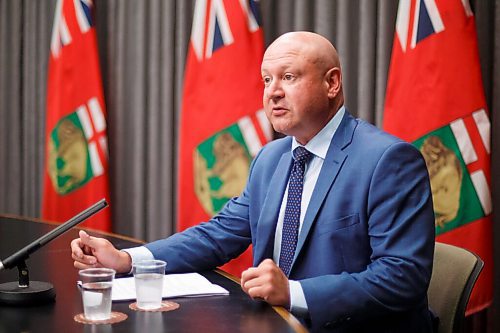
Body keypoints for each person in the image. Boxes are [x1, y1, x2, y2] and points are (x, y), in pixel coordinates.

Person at [71, 31, 435, 332]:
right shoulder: (271, 159)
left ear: (332, 83)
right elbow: (216, 236)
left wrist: (294, 293)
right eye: (267, 79)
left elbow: (401, 277)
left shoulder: (387, 160)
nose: (273, 91)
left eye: (288, 77)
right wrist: (126, 259)